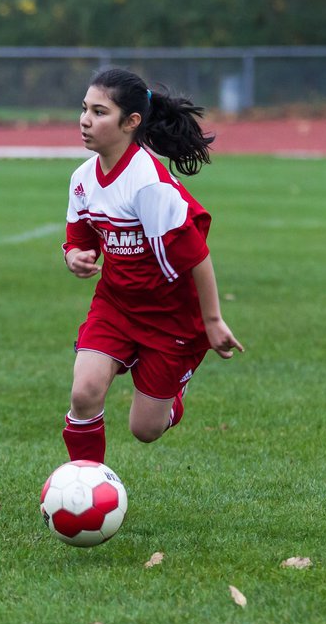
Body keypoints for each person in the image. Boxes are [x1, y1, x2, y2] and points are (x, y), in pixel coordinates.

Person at [60, 68, 243, 465]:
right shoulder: (82, 179)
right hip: (116, 305)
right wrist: (75, 257)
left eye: (99, 112)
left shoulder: (148, 185)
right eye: (84, 109)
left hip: (172, 315)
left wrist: (212, 321)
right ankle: (84, 484)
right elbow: (79, 239)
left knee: (145, 429)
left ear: (131, 123)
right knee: (84, 391)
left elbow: (196, 255)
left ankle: (174, 393)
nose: (85, 120)